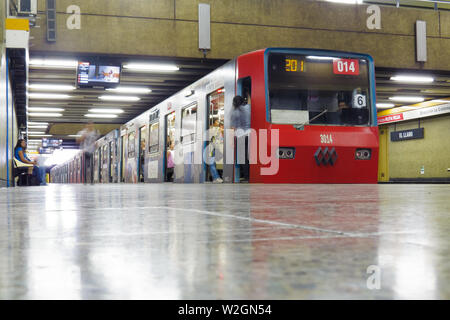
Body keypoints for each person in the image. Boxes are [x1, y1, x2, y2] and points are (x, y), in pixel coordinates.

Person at [231, 95, 251, 182]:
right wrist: (248, 94)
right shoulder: (248, 108)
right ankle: (252, 174)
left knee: (243, 158)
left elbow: (233, 127)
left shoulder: (234, 112)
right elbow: (250, 102)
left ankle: (247, 177)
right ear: (243, 101)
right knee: (249, 156)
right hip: (249, 134)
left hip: (240, 136)